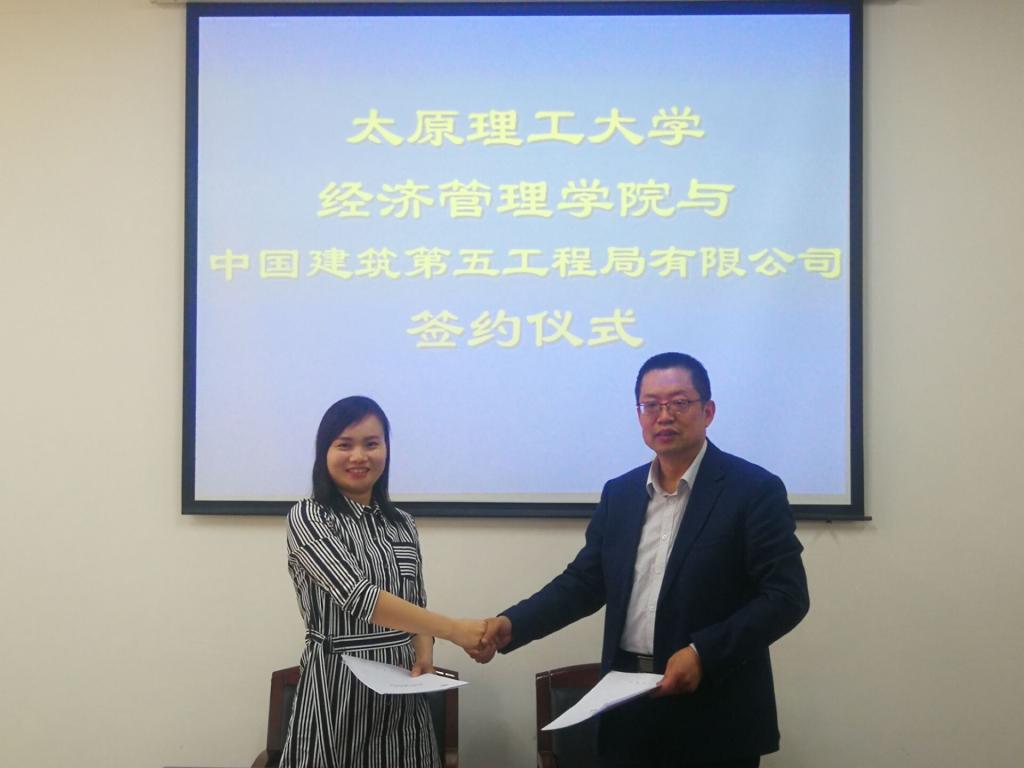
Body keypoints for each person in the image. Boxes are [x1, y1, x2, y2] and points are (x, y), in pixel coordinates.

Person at [471, 353, 810, 768]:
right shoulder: (621, 493)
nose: (664, 415)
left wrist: (703, 653)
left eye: (679, 402)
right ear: (639, 415)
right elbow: (583, 583)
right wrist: (512, 625)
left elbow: (786, 596)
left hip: (716, 711)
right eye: (651, 405)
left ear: (708, 411)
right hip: (627, 705)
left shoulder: (753, 490)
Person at [281, 396, 484, 768]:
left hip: (402, 694)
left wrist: (425, 658)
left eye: (371, 444)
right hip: (337, 689)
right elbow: (359, 597)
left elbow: (416, 605)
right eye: (345, 445)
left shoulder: (402, 523)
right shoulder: (309, 516)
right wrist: (456, 630)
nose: (359, 456)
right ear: (324, 452)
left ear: (386, 449)